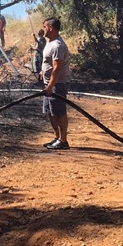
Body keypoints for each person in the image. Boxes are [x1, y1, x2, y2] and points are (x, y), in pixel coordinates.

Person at [39, 17, 72, 150]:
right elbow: (48, 62)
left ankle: (63, 141)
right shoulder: (50, 42)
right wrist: (42, 72)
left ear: (51, 28)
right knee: (51, 112)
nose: (43, 29)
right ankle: (57, 138)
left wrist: (51, 86)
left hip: (58, 84)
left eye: (45, 27)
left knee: (59, 111)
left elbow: (57, 68)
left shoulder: (58, 45)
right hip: (50, 84)